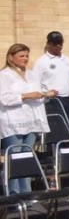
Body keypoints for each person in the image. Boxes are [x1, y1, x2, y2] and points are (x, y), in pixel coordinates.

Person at [1, 44, 53, 193]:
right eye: (21, 56)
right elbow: (4, 99)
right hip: (13, 121)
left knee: (27, 156)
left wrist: (45, 94)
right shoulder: (4, 75)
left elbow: (38, 94)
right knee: (15, 157)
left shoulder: (31, 75)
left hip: (32, 119)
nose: (25, 59)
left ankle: (26, 192)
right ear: (11, 57)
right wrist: (26, 95)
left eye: (26, 56)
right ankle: (13, 193)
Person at [29, 31, 69, 131]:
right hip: (52, 101)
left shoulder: (67, 60)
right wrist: (44, 95)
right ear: (48, 44)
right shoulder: (42, 61)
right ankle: (55, 147)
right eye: (55, 44)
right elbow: (35, 82)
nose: (58, 46)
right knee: (57, 130)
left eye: (60, 43)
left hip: (68, 99)